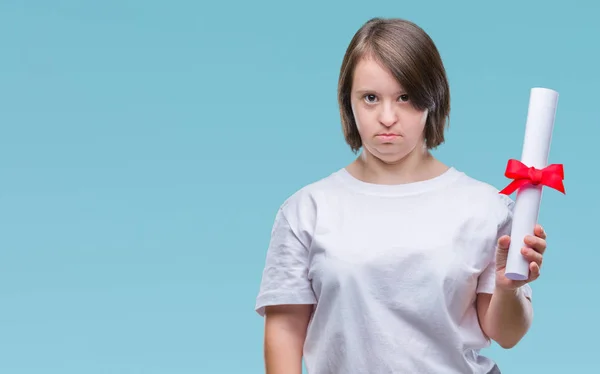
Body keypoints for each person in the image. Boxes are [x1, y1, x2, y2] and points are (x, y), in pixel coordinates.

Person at [254, 17, 548, 374]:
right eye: (371, 98)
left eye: (405, 97)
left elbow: (507, 334)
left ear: (432, 98)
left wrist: (507, 288)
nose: (388, 117)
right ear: (348, 102)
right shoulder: (306, 211)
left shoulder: (487, 208)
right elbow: (284, 331)